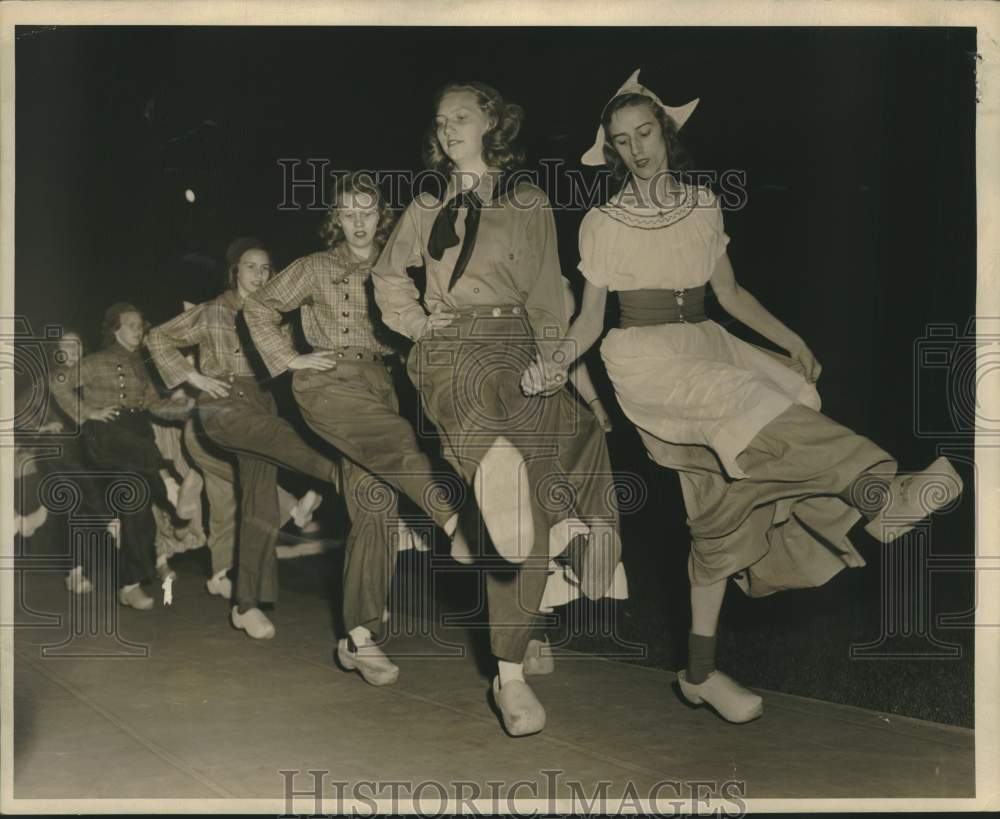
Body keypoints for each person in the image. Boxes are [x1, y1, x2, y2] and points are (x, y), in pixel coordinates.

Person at [521, 69, 964, 724]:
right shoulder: (603, 222)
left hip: (708, 341)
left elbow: (729, 295)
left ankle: (698, 672)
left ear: (666, 135)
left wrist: (791, 339)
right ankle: (881, 492)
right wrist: (553, 363)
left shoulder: (703, 204)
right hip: (646, 360)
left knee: (725, 504)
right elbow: (588, 320)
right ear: (611, 152)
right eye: (622, 140)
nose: (638, 148)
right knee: (749, 407)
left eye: (646, 132)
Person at [372, 81, 625, 737]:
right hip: (450, 349)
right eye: (440, 119)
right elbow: (387, 274)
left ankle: (579, 543)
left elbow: (547, 295)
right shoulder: (429, 200)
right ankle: (515, 656)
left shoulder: (530, 200)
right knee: (503, 470)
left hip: (517, 345)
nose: (448, 125)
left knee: (575, 436)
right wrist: (413, 323)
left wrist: (553, 360)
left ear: (492, 122)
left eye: (462, 115)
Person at [244, 172, 470, 687]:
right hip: (327, 383)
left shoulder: (399, 268)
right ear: (336, 219)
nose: (359, 222)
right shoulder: (315, 266)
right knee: (399, 444)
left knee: (375, 507)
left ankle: (359, 637)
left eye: (367, 211)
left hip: (380, 384)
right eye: (348, 213)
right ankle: (457, 523)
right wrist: (291, 358)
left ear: (381, 215)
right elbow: (258, 305)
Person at [147, 239, 338, 640]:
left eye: (266, 268)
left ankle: (246, 605)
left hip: (262, 402)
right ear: (235, 271)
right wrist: (194, 377)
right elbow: (157, 339)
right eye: (251, 267)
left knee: (261, 508)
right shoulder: (214, 310)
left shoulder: (275, 316)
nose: (259, 274)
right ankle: (336, 474)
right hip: (224, 406)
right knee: (280, 436)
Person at [50, 304, 193, 610]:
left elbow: (155, 405)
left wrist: (186, 408)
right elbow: (59, 384)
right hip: (107, 433)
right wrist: (86, 413)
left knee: (136, 506)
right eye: (131, 325)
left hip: (137, 435)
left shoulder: (141, 367)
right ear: (115, 329)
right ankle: (170, 487)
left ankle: (129, 585)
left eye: (140, 325)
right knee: (146, 460)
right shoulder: (95, 361)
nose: (138, 330)